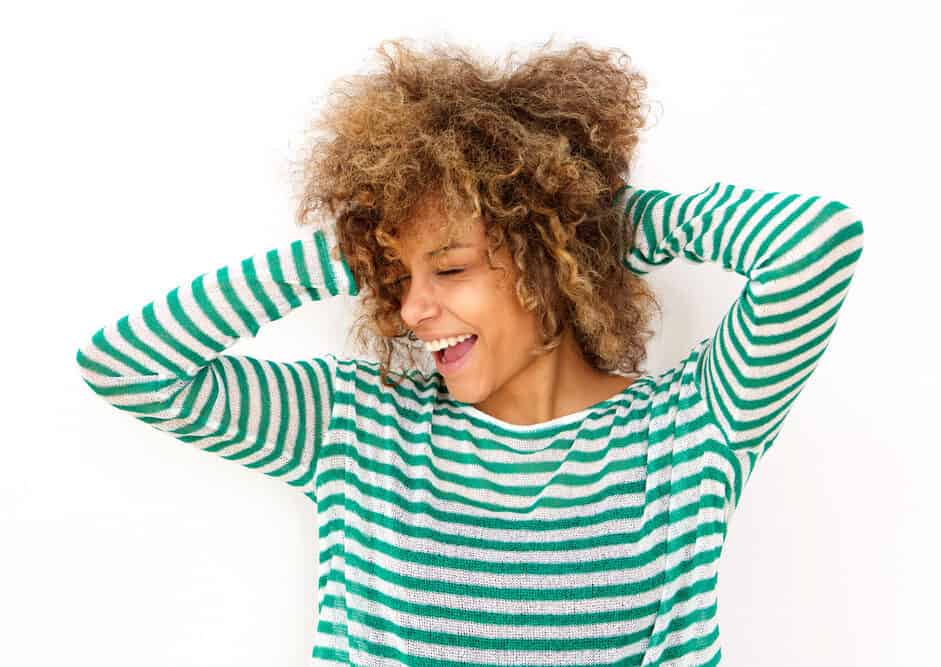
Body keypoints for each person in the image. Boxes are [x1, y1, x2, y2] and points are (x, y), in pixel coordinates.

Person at [75, 37, 864, 666]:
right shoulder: (354, 425)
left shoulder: (694, 426)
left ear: (550, 259)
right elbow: (128, 365)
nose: (413, 309)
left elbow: (816, 244)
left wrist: (596, 226)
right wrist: (351, 250)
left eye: (449, 268)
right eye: (394, 277)